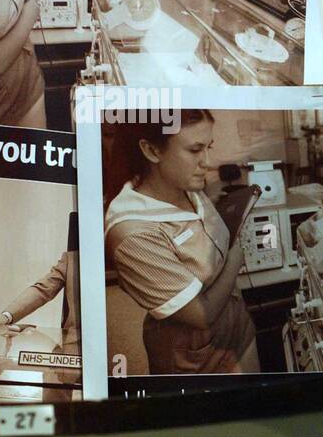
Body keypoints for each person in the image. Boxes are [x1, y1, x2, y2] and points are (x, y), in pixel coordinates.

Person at [103, 110, 260, 376]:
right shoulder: (133, 234)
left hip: (237, 328)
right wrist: (234, 260)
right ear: (152, 150)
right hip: (196, 360)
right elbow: (201, 315)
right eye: (195, 149)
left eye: (208, 147)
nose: (208, 163)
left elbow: (192, 231)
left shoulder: (185, 184)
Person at [0, 213, 80, 402]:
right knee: (53, 381)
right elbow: (43, 289)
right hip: (74, 344)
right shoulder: (72, 258)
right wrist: (6, 316)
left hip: (113, 342)